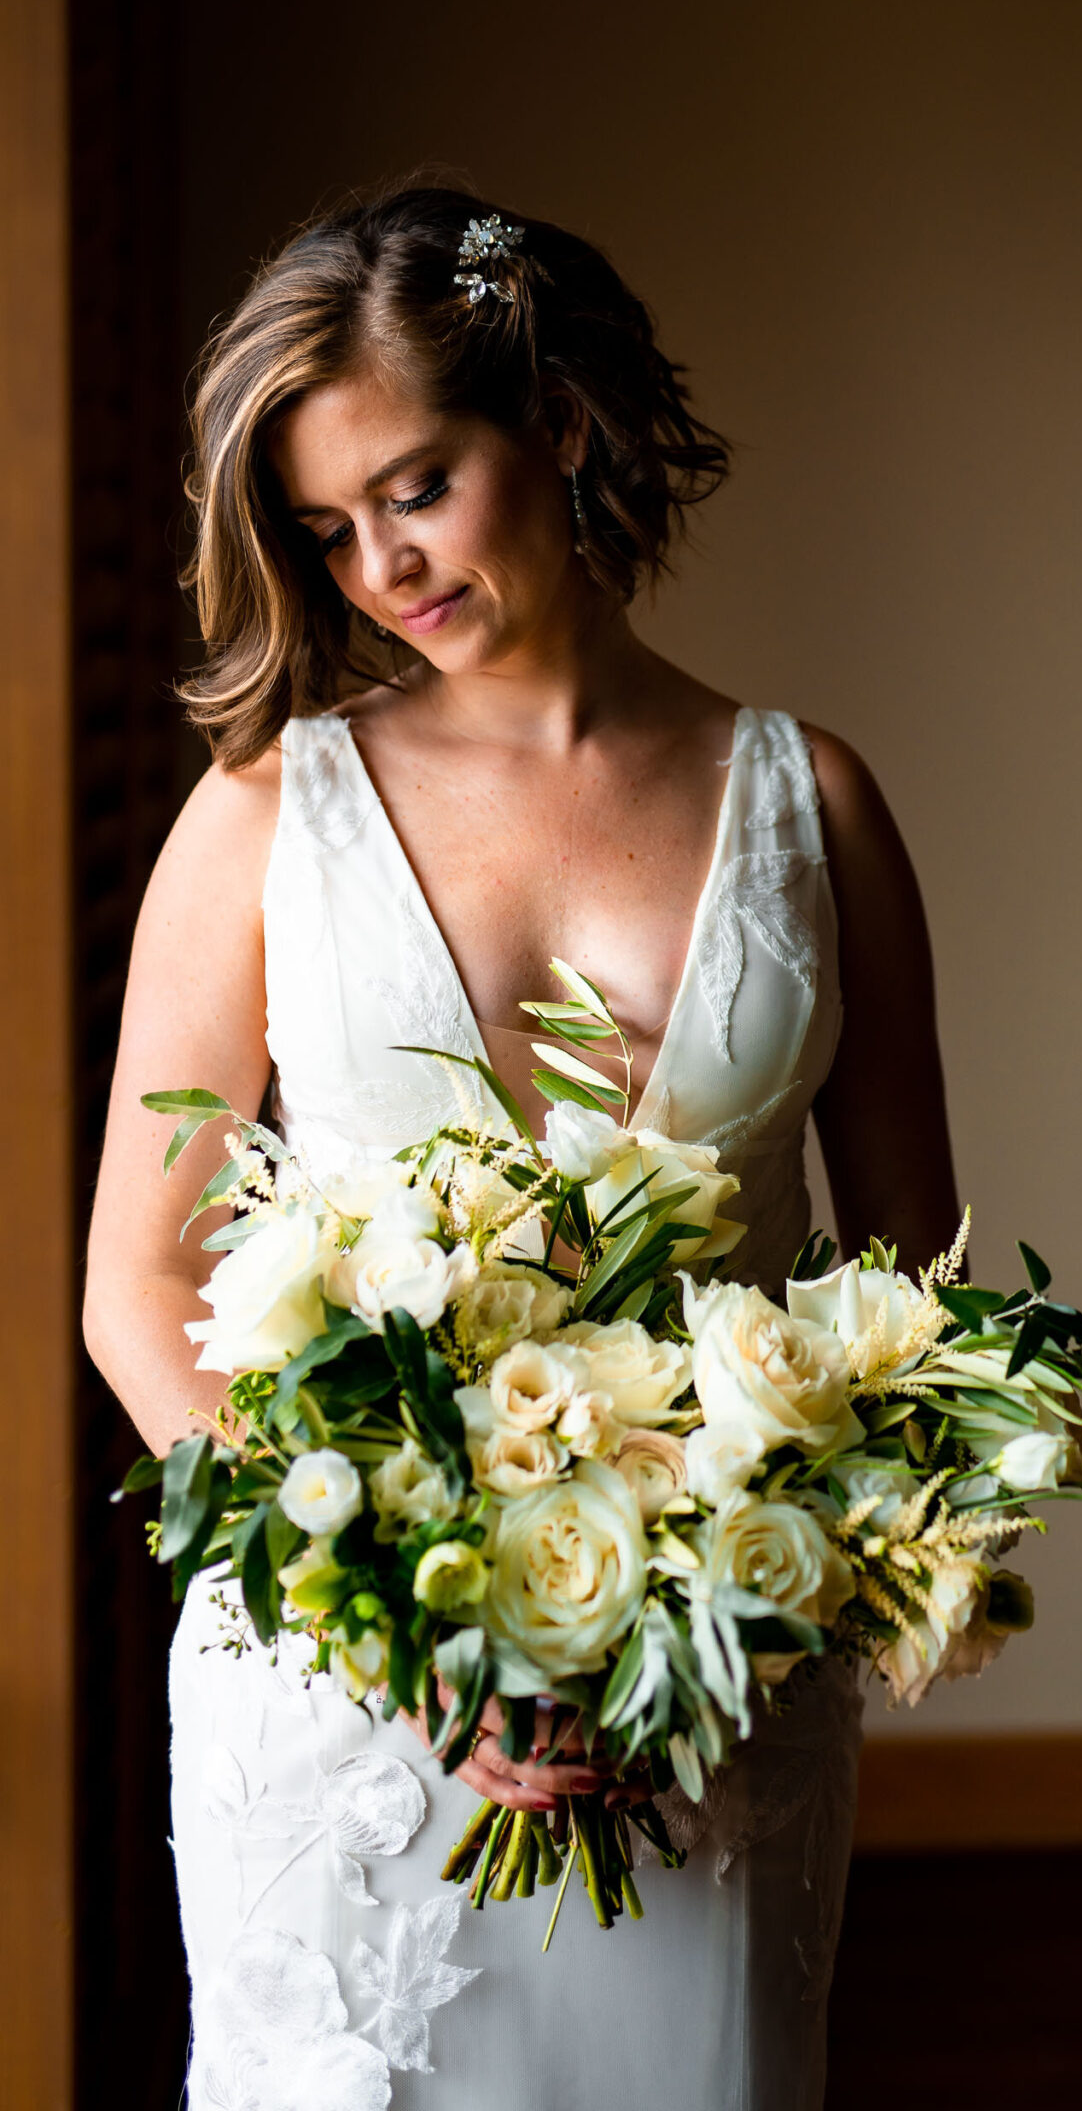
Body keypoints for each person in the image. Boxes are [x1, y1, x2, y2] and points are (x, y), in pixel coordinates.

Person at [83, 187, 958, 2110]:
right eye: (327, 530)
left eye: (417, 487)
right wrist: (406, 1631)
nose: (380, 564)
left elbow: (911, 1279)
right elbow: (137, 1290)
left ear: (557, 420)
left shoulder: (816, 803)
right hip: (352, 1690)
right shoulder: (263, 819)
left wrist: (733, 1594)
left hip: (713, 1675)